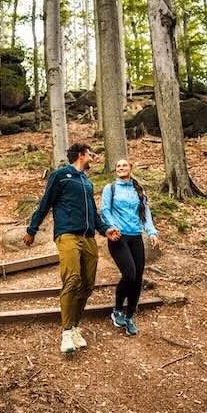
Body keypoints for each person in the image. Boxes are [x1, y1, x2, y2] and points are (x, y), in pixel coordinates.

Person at [24, 143, 121, 354]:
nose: (93, 157)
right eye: (90, 154)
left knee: (88, 284)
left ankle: (76, 327)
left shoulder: (86, 182)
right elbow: (45, 203)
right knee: (72, 279)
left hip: (88, 238)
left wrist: (105, 230)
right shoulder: (60, 175)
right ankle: (66, 332)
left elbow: (94, 214)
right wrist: (32, 229)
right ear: (80, 155)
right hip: (67, 234)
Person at [101, 159, 158, 337]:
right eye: (118, 166)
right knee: (129, 274)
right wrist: (111, 227)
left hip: (136, 236)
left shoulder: (138, 189)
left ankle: (130, 315)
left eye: (124, 165)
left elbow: (145, 212)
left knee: (138, 278)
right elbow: (105, 210)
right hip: (118, 237)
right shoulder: (110, 188)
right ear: (115, 170)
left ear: (131, 168)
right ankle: (117, 309)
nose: (121, 168)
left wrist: (151, 232)